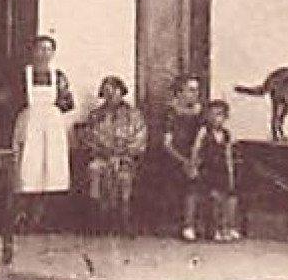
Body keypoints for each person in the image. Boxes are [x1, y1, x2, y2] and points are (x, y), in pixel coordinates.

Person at [10, 35, 75, 233]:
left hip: (52, 127)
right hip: (29, 124)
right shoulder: (23, 75)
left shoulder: (58, 76)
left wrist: (53, 108)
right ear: (32, 51)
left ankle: (44, 219)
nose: (44, 53)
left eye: (48, 49)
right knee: (27, 169)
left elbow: (69, 102)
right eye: (40, 49)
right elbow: (8, 98)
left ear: (53, 53)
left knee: (51, 170)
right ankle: (23, 219)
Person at [85, 75, 149, 236]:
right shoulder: (96, 116)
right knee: (94, 170)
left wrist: (122, 155)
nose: (111, 95)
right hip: (102, 156)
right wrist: (106, 153)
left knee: (124, 177)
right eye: (107, 92)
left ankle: (123, 220)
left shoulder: (134, 115)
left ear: (122, 92)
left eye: (115, 91)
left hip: (126, 158)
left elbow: (140, 139)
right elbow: (90, 138)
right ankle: (99, 220)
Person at [159, 76, 205, 241]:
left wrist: (194, 159)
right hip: (174, 157)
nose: (195, 94)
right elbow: (167, 144)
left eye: (197, 90)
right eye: (191, 90)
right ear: (180, 92)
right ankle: (188, 225)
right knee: (187, 179)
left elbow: (201, 138)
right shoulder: (170, 113)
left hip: (196, 155)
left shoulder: (200, 112)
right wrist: (184, 161)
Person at [191, 99, 240, 242]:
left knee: (228, 198)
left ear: (225, 117)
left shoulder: (226, 134)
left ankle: (226, 227)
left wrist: (231, 175)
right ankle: (214, 230)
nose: (215, 118)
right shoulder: (204, 132)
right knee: (214, 199)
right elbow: (196, 150)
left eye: (219, 115)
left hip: (222, 171)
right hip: (207, 171)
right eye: (212, 115)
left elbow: (228, 155)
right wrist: (194, 167)